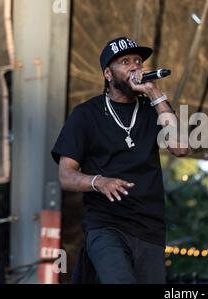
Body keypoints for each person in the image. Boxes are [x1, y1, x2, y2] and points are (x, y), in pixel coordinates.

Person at [51, 37, 190, 283]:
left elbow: (180, 148)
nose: (135, 66)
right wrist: (98, 182)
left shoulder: (152, 109)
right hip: (106, 224)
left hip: (150, 228)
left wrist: (155, 93)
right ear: (108, 73)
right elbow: (65, 175)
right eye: (125, 62)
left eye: (138, 61)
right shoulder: (86, 115)